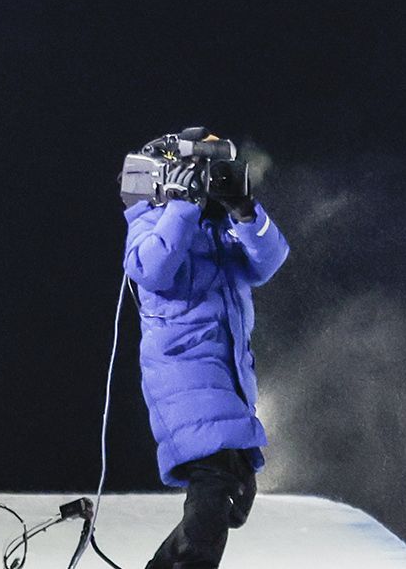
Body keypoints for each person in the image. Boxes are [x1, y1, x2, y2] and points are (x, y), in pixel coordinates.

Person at [122, 131, 290, 569]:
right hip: (184, 377)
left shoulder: (220, 231)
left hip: (228, 378)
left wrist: (244, 210)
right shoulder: (149, 221)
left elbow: (268, 262)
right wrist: (181, 206)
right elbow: (151, 269)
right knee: (213, 494)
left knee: (229, 499)